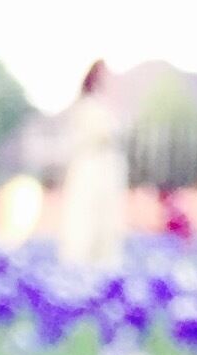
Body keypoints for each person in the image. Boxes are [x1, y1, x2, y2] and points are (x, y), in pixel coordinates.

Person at [58, 61, 127, 271]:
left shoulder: (102, 104)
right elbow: (97, 135)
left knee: (106, 218)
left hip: (106, 168)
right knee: (87, 215)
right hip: (92, 167)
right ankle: (82, 264)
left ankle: (101, 264)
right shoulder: (88, 105)